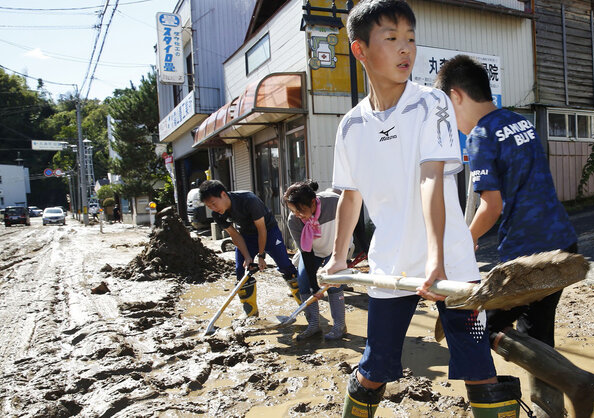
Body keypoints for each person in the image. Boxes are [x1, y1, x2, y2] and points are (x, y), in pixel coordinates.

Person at [323, 1, 522, 416]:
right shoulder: (350, 126)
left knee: (477, 367)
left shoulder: (431, 103)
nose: (405, 49)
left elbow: (432, 177)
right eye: (391, 39)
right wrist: (338, 258)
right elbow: (350, 195)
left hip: (449, 259)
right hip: (390, 262)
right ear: (360, 51)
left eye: (410, 39)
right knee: (374, 366)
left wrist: (437, 259)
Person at [436, 54, 594, 417]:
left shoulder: (480, 136)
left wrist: (464, 240)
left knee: (490, 327)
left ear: (456, 96)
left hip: (527, 255)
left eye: (449, 112)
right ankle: (552, 411)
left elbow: (491, 207)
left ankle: (578, 382)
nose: (455, 123)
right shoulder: (518, 121)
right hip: (562, 243)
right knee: (538, 334)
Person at [199, 180, 300, 317]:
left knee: (285, 267)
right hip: (246, 235)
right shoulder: (217, 215)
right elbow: (235, 236)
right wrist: (247, 257)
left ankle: (306, 305)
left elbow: (262, 229)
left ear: (223, 194)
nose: (213, 208)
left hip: (269, 232)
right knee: (241, 271)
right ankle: (250, 313)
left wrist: (261, 255)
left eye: (213, 203)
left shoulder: (248, 199)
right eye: (208, 206)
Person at [284, 180, 348, 341]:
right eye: (294, 211)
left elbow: (352, 220)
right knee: (304, 282)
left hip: (335, 249)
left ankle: (340, 325)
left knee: (333, 283)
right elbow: (307, 254)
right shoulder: (294, 221)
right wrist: (314, 285)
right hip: (312, 251)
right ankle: (313, 325)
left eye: (301, 210)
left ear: (313, 202)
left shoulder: (333, 203)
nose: (298, 214)